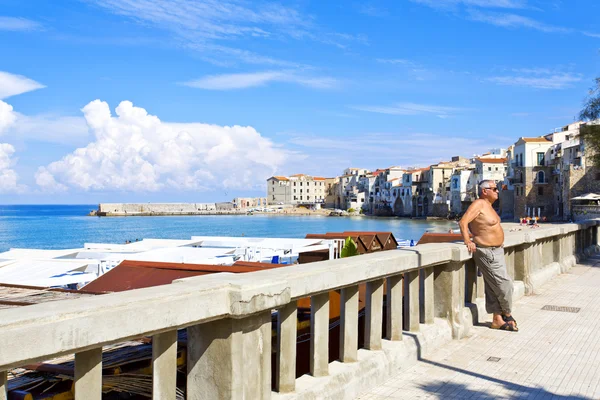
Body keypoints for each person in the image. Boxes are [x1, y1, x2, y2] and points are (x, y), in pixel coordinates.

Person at [459, 180, 518, 332]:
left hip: (496, 250)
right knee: (505, 284)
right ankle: (508, 314)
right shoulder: (478, 204)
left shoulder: (489, 206)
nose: (497, 191)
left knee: (493, 286)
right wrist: (468, 241)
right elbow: (463, 222)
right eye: (494, 189)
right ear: (484, 191)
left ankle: (497, 319)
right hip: (486, 251)